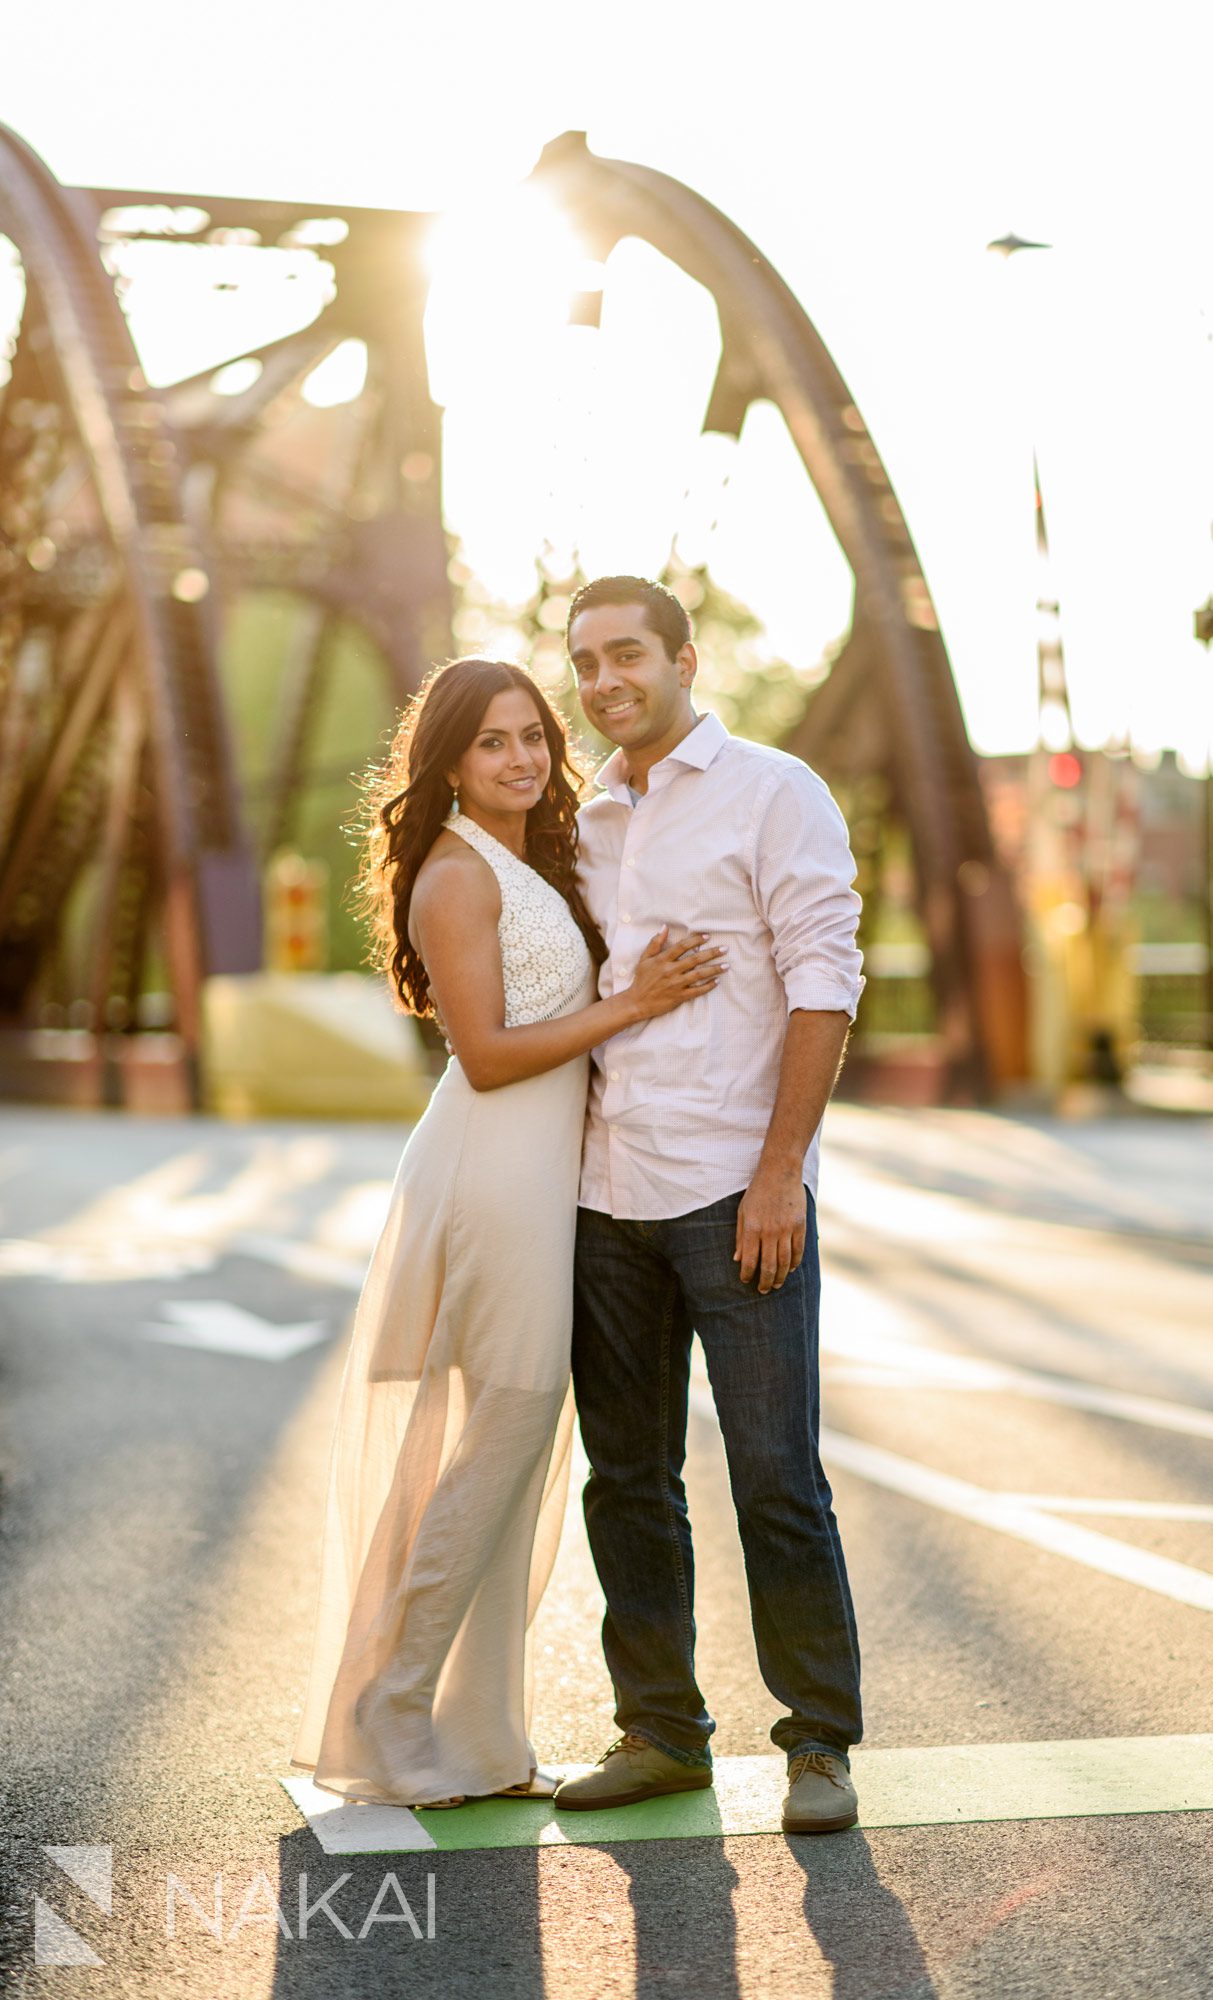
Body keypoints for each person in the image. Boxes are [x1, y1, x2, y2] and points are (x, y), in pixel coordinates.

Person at [290, 656, 724, 1809]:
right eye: (492, 741)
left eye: (533, 734)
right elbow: (483, 1054)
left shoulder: (527, 858)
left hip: (542, 1177)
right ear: (448, 760)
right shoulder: (454, 873)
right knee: (507, 1425)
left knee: (511, 1439)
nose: (523, 757)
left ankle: (468, 1734)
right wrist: (633, 1002)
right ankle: (388, 1712)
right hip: (488, 1173)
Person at [552, 576, 865, 1836]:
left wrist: (781, 1167)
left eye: (626, 652)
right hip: (604, 1192)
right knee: (624, 1474)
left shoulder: (775, 790)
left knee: (776, 1470)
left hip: (735, 1186)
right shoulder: (588, 819)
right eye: (584, 661)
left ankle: (820, 1741)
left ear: (685, 658)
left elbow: (824, 977)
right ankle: (662, 1730)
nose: (604, 678)